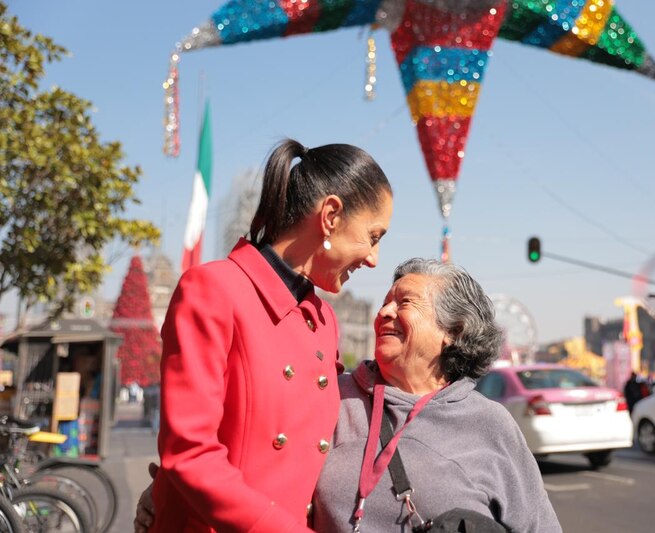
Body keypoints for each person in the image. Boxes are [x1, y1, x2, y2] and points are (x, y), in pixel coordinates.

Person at [138, 258, 561, 532]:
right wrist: (164, 498)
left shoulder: (489, 424)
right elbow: (237, 455)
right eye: (385, 301)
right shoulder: (328, 398)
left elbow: (540, 526)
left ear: (454, 332)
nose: (385, 313)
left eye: (405, 302)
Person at [148, 138, 393, 532]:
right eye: (374, 236)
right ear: (330, 215)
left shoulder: (323, 318)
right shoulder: (214, 289)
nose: (373, 258)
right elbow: (190, 452)